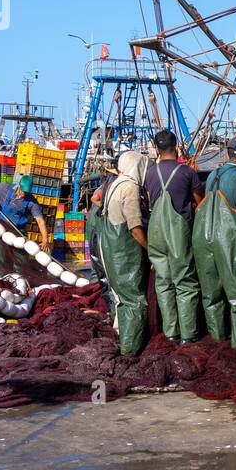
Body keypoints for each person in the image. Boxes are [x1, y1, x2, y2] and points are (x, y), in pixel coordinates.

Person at [193, 138, 236, 348]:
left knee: (211, 294)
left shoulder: (212, 174)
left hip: (203, 237)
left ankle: (217, 340)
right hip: (230, 240)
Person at [143, 129, 203, 344]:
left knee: (164, 282)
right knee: (185, 283)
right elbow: (200, 201)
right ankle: (188, 335)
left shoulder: (149, 173)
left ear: (157, 150)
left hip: (156, 233)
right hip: (179, 233)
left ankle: (170, 333)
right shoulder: (187, 172)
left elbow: (151, 199)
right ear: (176, 147)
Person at [93, 151, 151, 355]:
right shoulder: (130, 187)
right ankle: (130, 350)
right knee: (135, 301)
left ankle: (126, 342)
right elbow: (135, 227)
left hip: (110, 249)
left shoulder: (115, 184)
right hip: (124, 254)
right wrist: (150, 250)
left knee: (121, 299)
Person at [0, 174, 50, 274]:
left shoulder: (32, 202)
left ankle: (20, 281)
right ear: (19, 185)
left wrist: (45, 240)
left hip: (18, 230)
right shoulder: (5, 187)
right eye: (23, 191)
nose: (24, 194)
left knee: (21, 260)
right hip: (1, 227)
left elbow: (40, 221)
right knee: (1, 258)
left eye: (27, 192)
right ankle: (1, 280)